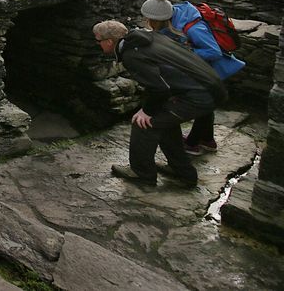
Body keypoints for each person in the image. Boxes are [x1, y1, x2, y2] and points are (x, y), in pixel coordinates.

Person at [92, 20, 225, 186]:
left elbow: (159, 88)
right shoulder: (149, 37)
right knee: (165, 122)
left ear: (109, 42)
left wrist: (146, 111)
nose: (98, 45)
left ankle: (142, 173)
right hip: (210, 86)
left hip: (199, 96)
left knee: (143, 123)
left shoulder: (132, 55)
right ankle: (184, 173)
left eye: (98, 41)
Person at [140, 0, 245, 155]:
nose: (147, 22)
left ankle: (192, 143)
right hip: (202, 70)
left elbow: (214, 52)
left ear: (159, 19)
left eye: (149, 20)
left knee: (203, 105)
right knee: (206, 105)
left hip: (213, 70)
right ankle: (208, 141)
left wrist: (183, 55)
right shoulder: (174, 14)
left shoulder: (194, 27)